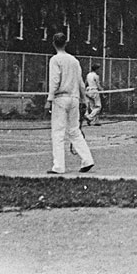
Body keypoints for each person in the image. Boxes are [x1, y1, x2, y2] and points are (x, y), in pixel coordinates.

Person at [45, 32, 94, 174]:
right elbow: (80, 83)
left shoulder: (55, 59)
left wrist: (49, 99)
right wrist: (84, 100)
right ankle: (87, 160)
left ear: (54, 43)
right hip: (74, 98)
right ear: (65, 43)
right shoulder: (74, 60)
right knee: (74, 131)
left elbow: (55, 80)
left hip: (60, 98)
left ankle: (59, 166)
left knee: (58, 132)